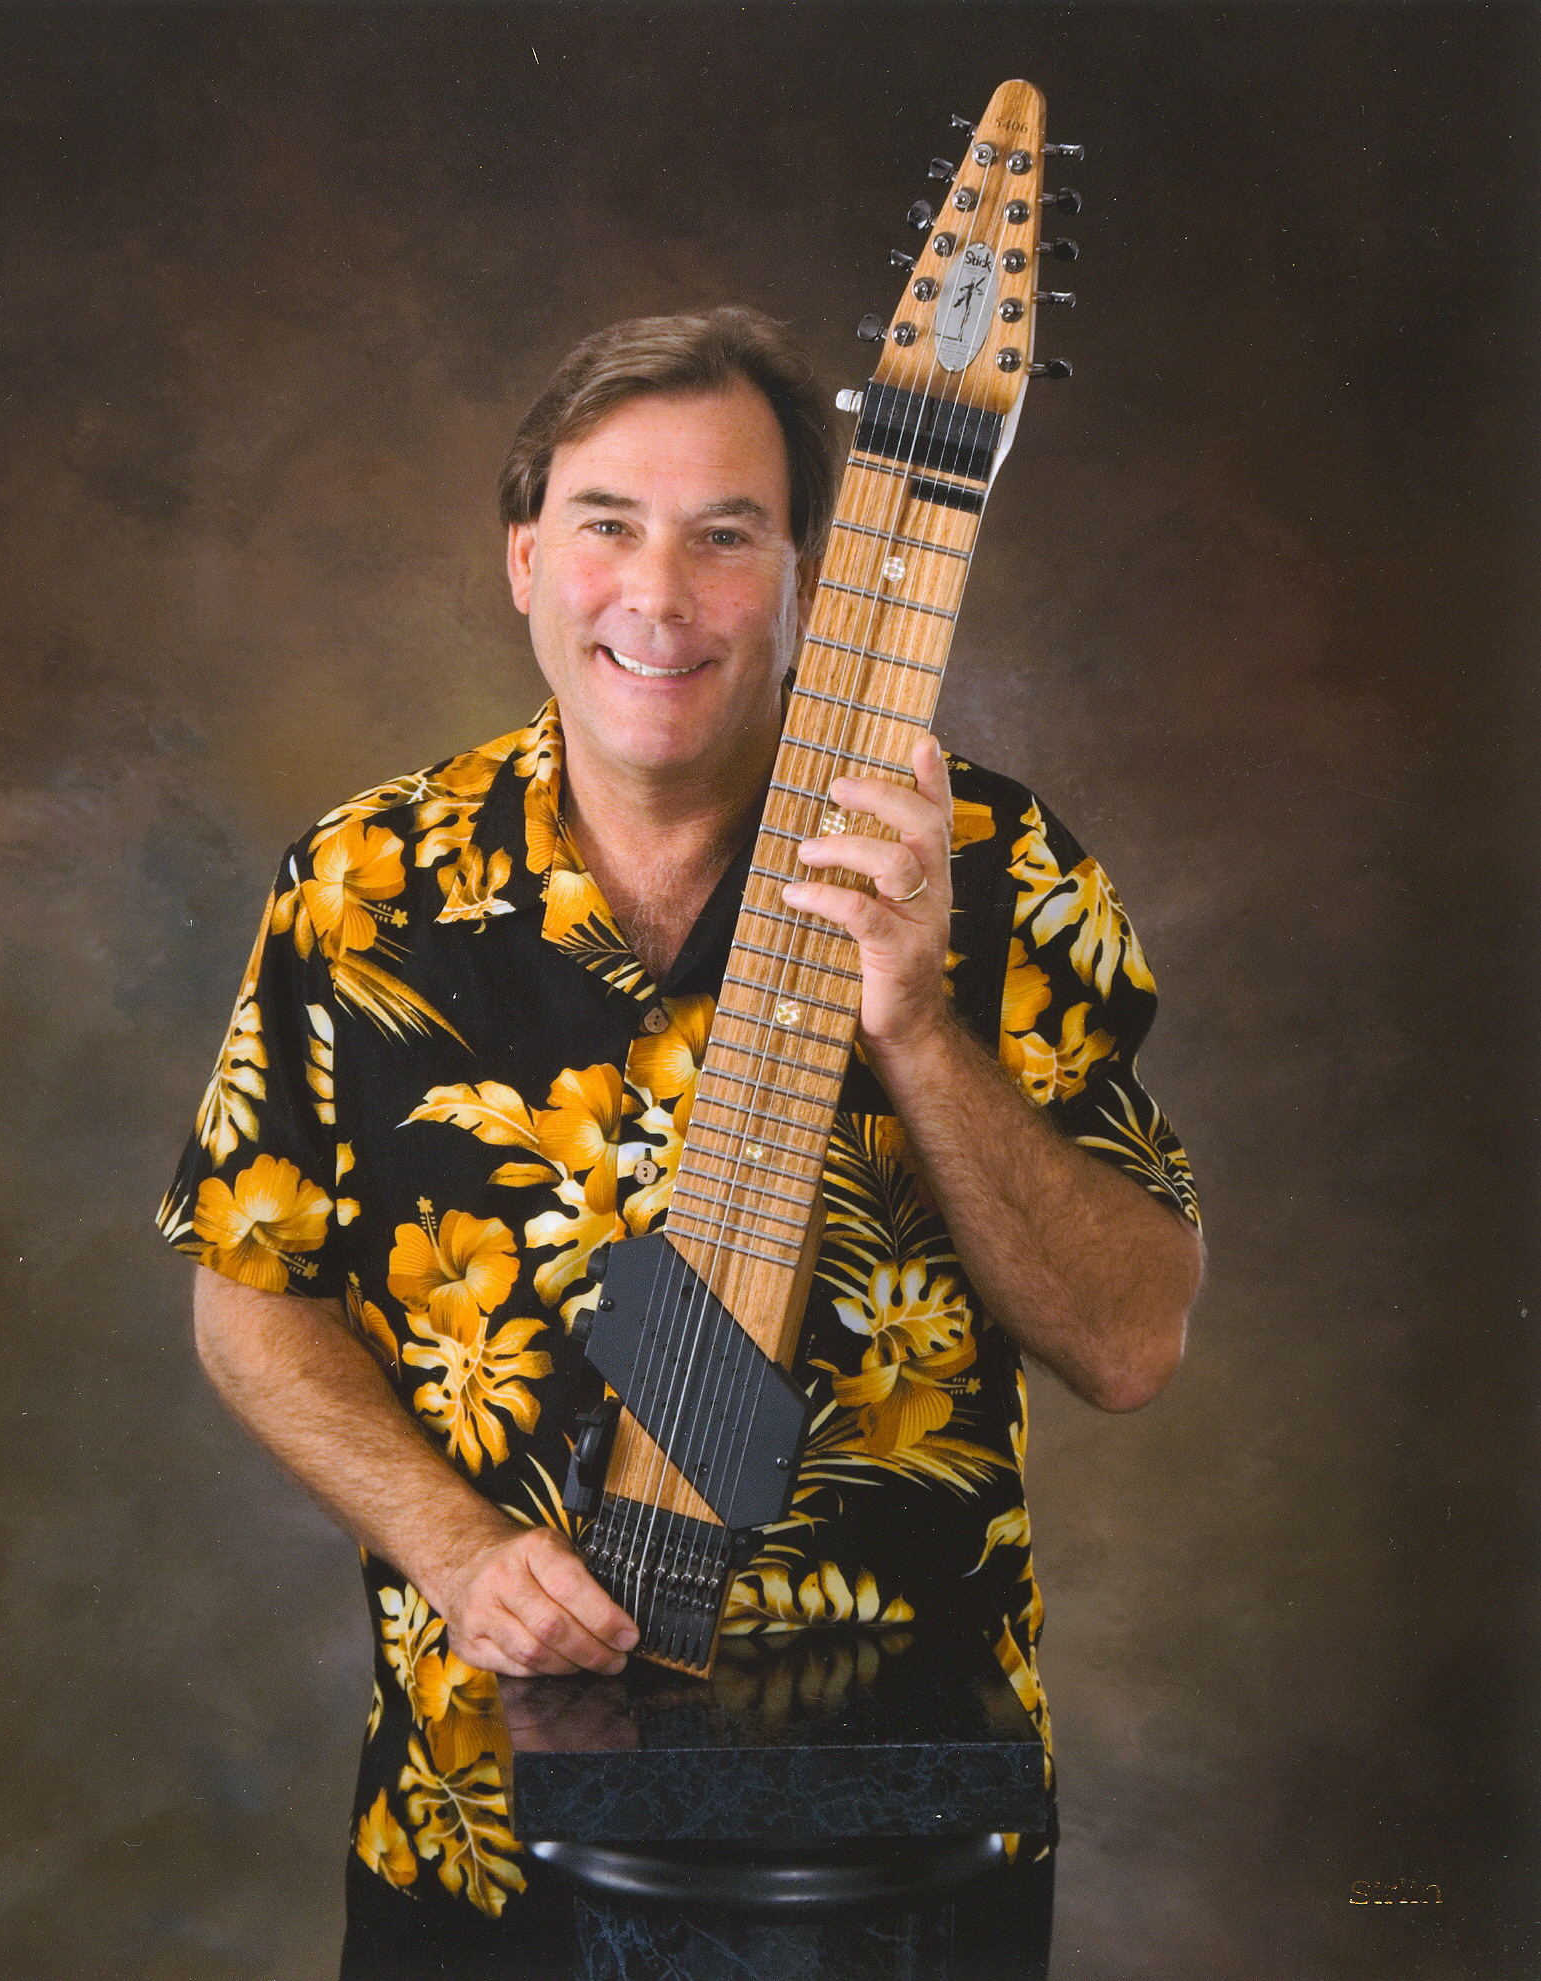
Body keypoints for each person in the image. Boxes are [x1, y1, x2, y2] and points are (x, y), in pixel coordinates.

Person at [158, 306, 1204, 1977]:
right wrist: (456, 1548)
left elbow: (1131, 1337)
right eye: (606, 527)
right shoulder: (363, 888)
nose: (658, 595)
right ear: (522, 561)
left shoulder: (995, 870)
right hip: (478, 1829)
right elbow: (249, 1295)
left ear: (808, 580)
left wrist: (919, 1024)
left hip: (891, 1846)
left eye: (726, 537)